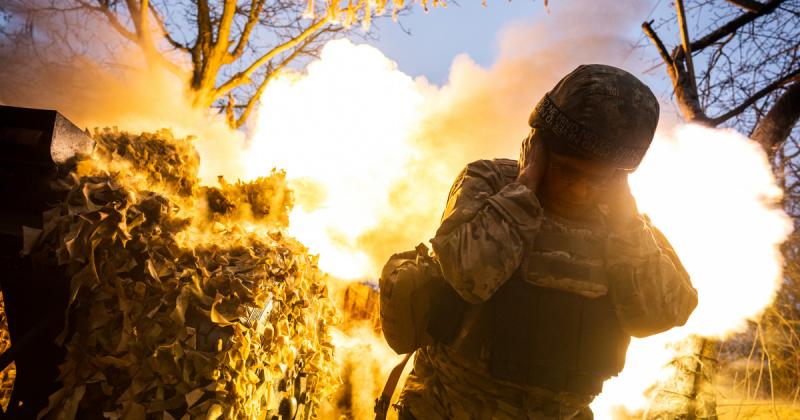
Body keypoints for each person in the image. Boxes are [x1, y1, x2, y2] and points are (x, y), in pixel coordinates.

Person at [396, 64, 699, 419]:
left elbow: (661, 315)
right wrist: (523, 190)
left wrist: (626, 223)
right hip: (444, 410)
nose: (583, 189)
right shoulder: (490, 181)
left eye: (599, 178)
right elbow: (468, 274)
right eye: (568, 170)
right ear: (537, 146)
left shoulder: (625, 224)